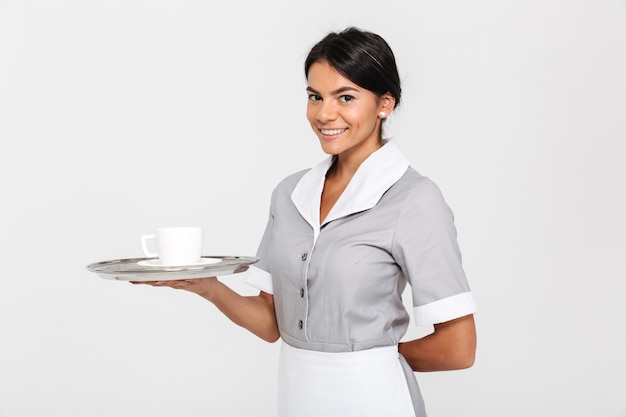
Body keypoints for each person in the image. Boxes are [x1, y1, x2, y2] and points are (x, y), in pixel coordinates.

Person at [134, 27, 477, 417]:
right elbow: (270, 323)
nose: (324, 114)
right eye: (315, 97)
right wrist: (209, 288)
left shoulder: (414, 199)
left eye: (345, 97)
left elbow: (458, 348)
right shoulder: (291, 193)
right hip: (297, 395)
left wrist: (365, 361)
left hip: (375, 400)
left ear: (385, 103)